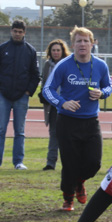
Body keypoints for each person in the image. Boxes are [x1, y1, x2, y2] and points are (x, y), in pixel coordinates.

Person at [42, 27, 111, 211]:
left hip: (91, 121)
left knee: (94, 163)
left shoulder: (101, 65)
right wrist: (62, 103)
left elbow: (109, 87)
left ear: (92, 43)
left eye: (86, 41)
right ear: (72, 44)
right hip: (67, 122)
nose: (82, 44)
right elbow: (47, 90)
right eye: (78, 41)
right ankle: (68, 197)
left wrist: (102, 93)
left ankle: (80, 182)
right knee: (70, 163)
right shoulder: (63, 65)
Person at [0, 20, 40, 170]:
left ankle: (18, 162)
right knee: (0, 130)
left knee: (20, 131)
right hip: (3, 95)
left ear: (24, 33)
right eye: (15, 31)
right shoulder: (3, 49)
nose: (17, 34)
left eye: (20, 31)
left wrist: (28, 91)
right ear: (11, 31)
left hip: (22, 97)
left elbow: (35, 75)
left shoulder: (30, 51)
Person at [39, 39, 70, 171]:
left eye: (58, 50)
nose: (56, 52)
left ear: (63, 51)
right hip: (52, 106)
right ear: (50, 52)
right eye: (53, 50)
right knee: (53, 134)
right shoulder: (47, 65)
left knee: (67, 135)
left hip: (66, 105)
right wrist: (44, 96)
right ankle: (50, 163)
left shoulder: (68, 64)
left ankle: (68, 163)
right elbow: (44, 83)